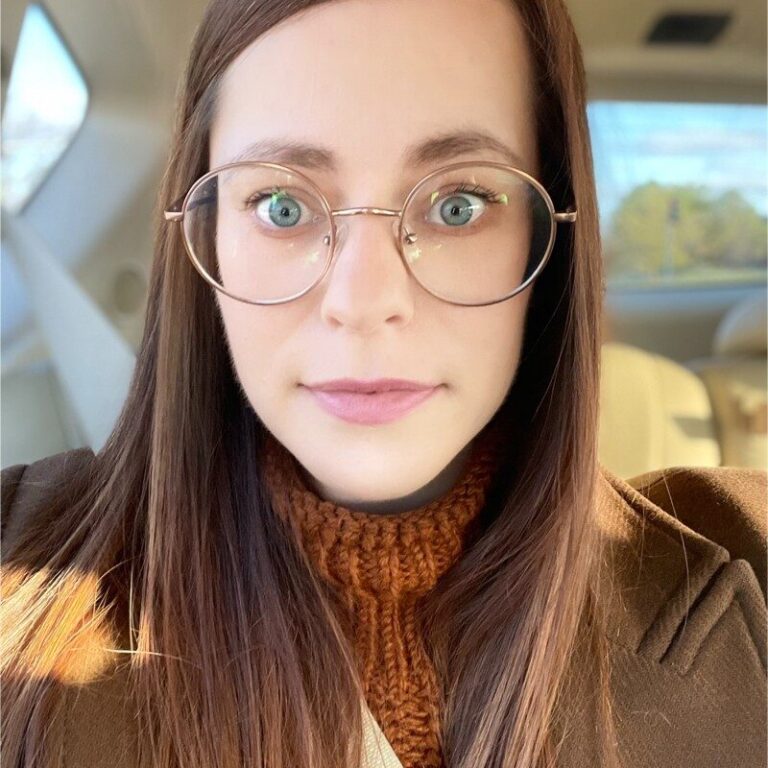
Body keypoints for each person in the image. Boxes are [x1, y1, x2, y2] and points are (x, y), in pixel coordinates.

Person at [1, 1, 765, 767]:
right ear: (207, 236)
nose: (363, 302)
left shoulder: (744, 569)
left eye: (458, 205)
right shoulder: (19, 567)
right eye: (282, 206)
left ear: (549, 234)